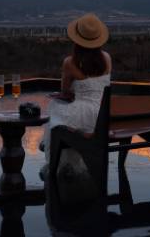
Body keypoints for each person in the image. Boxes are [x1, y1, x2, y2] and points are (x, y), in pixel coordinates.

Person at [41, 13, 112, 179]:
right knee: (60, 114)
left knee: (54, 108)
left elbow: (65, 91)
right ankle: (68, 161)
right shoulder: (107, 58)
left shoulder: (70, 62)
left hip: (83, 114)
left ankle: (55, 156)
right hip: (102, 114)